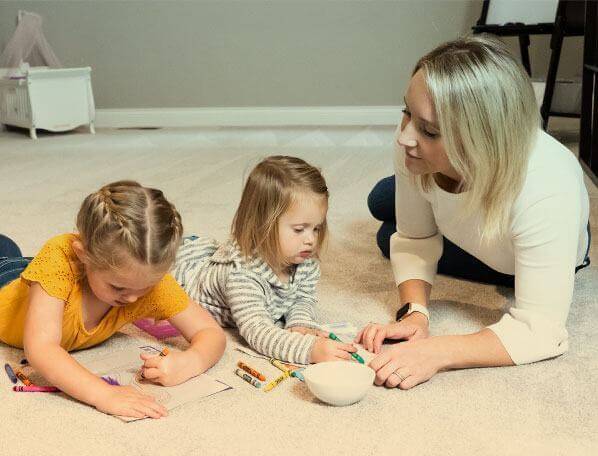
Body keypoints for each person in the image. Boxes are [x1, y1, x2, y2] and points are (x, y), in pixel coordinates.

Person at [356, 36, 591, 390]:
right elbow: (414, 238)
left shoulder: (547, 188)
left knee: (384, 234)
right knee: (380, 202)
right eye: (407, 113)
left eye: (429, 131)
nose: (405, 137)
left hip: (512, 257)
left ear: (480, 138)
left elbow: (542, 331)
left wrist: (435, 352)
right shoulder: (411, 139)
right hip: (473, 211)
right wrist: (415, 314)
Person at [0, 181, 226, 419]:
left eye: (145, 286)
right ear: (82, 255)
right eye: (118, 286)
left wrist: (192, 361)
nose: (132, 297)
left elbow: (210, 332)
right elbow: (41, 348)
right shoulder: (59, 258)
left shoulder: (148, 284)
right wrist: (104, 394)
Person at [172, 155, 356, 365]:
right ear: (262, 226)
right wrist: (309, 350)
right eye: (299, 229)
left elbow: (302, 298)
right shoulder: (242, 275)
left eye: (316, 228)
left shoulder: (304, 261)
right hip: (187, 278)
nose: (311, 239)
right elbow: (257, 331)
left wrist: (300, 323)